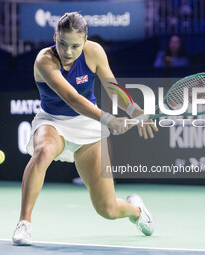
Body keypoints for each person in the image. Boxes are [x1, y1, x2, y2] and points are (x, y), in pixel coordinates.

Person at [12, 12, 158, 246]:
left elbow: (113, 88)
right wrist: (108, 118)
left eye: (75, 46)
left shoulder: (94, 52)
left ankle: (137, 211)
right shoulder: (44, 60)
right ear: (55, 36)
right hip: (53, 120)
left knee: (107, 209)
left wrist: (134, 110)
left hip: (88, 127)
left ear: (86, 41)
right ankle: (24, 223)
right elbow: (71, 98)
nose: (68, 52)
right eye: (62, 43)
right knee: (43, 151)